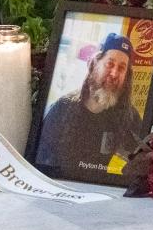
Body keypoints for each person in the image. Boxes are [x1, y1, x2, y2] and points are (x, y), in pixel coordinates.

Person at [36, 33, 143, 173]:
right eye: (110, 64)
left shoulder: (131, 119)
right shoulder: (62, 109)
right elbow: (42, 164)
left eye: (122, 68)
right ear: (94, 64)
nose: (114, 73)